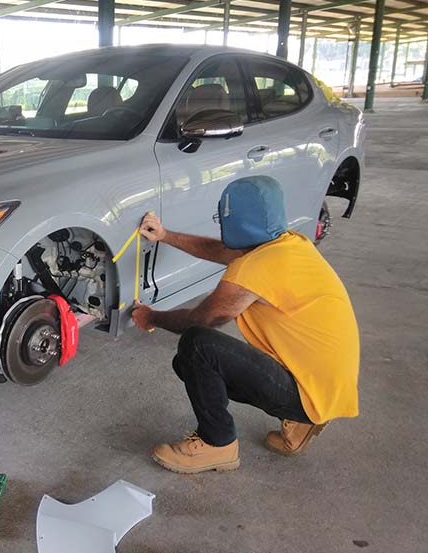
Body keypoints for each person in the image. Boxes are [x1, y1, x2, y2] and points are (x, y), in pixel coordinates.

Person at [132, 176, 359, 474]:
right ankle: (304, 419)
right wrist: (165, 235)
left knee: (197, 346)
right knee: (186, 363)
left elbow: (202, 319)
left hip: (305, 388)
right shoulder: (288, 243)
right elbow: (219, 251)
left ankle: (218, 443)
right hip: (325, 385)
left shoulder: (255, 267)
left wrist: (152, 317)